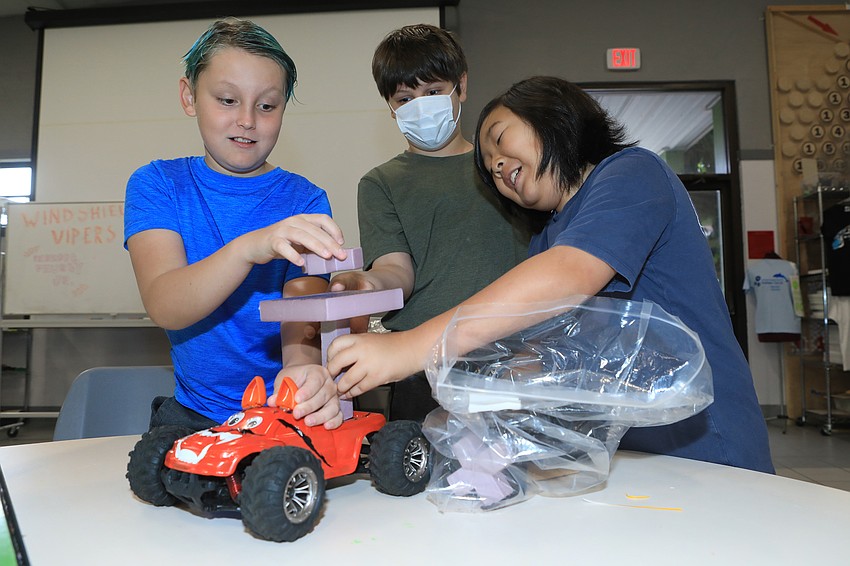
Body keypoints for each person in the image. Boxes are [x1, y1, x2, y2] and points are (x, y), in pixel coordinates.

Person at [327, 76, 774, 473]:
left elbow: (569, 274)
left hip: (703, 436)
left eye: (501, 140)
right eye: (491, 169)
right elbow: (546, 350)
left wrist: (407, 347)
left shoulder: (633, 173)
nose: (499, 166)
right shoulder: (549, 235)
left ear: (553, 117)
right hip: (627, 447)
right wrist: (472, 403)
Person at [124, 18, 348, 432]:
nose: (247, 119)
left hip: (281, 410)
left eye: (267, 106)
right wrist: (250, 247)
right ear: (189, 96)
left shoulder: (305, 201)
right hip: (193, 413)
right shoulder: (158, 185)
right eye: (227, 99)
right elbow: (165, 303)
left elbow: (303, 315)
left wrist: (302, 372)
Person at [327, 24, 530, 421]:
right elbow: (395, 270)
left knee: (515, 477)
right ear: (390, 106)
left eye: (434, 92)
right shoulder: (380, 184)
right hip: (420, 364)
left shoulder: (503, 167)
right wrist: (364, 283)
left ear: (462, 87)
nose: (420, 105)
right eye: (405, 98)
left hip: (512, 357)